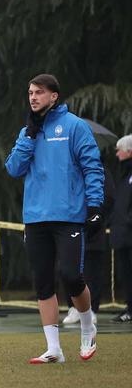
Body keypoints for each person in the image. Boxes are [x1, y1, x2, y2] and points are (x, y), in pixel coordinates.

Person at [5, 74, 103, 363]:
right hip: (35, 217)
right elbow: (13, 168)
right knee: (43, 282)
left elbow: (92, 168)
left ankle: (88, 327)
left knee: (71, 277)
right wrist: (30, 136)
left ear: (54, 96)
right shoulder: (28, 131)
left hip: (69, 216)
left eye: (39, 92)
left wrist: (95, 206)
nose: (33, 97)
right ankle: (54, 349)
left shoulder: (75, 127)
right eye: (30, 92)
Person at [62, 166, 114, 325]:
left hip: (93, 230)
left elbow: (109, 198)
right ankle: (73, 307)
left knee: (93, 272)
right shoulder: (67, 167)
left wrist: (96, 217)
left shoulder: (101, 170)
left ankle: (91, 309)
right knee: (68, 269)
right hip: (70, 226)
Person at [109, 134, 132, 322]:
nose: (117, 154)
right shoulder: (124, 175)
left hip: (128, 233)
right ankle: (130, 308)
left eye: (120, 150)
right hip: (123, 235)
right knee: (126, 273)